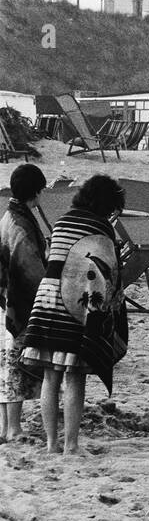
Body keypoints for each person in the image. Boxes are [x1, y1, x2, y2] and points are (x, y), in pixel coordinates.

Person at [21, 175, 129, 455]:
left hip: (47, 300)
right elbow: (109, 277)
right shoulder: (100, 228)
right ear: (107, 203)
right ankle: (71, 445)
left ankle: (51, 444)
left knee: (50, 377)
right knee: (74, 376)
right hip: (75, 304)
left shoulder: (61, 223)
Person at [0, 165, 47, 443]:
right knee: (15, 364)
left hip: (4, 298)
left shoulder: (8, 216)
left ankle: (6, 426)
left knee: (5, 365)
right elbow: (30, 267)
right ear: (37, 192)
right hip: (16, 301)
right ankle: (14, 427)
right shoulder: (21, 223)